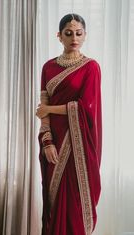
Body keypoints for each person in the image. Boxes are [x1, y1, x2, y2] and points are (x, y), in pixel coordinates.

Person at [36, 13, 102, 235]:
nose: (74, 37)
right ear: (59, 36)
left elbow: (85, 109)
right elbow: (42, 107)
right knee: (54, 198)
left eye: (78, 33)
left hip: (78, 146)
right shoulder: (48, 67)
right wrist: (47, 142)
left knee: (74, 202)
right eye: (68, 33)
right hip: (54, 142)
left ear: (84, 36)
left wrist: (50, 110)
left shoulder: (91, 67)